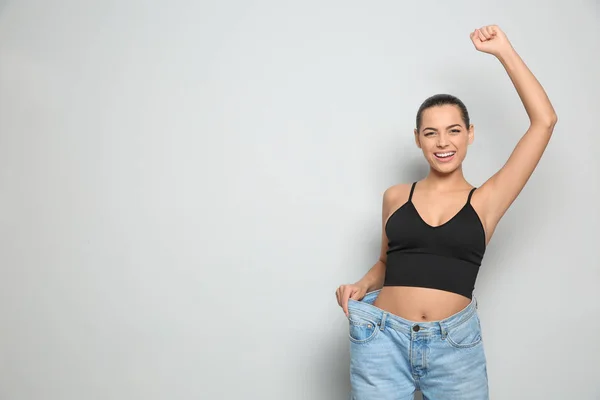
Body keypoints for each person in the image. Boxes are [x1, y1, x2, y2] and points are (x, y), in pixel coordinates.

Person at [335, 25, 557, 400]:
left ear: (470, 134)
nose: (442, 143)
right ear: (418, 138)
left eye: (453, 131)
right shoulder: (395, 196)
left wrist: (503, 51)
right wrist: (362, 285)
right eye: (431, 133)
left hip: (454, 344)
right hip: (380, 337)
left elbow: (544, 122)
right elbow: (386, 263)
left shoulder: (488, 199)